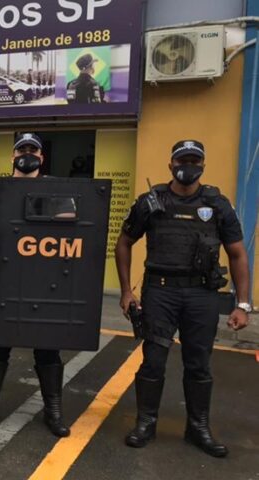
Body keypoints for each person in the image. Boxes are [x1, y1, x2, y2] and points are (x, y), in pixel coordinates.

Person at [115, 140, 250, 457]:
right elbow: (124, 243)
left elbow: (237, 254)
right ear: (170, 163)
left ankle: (198, 428)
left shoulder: (218, 205)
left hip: (202, 295)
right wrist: (125, 290)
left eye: (194, 160)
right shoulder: (152, 201)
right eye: (182, 160)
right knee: (153, 361)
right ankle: (146, 423)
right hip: (160, 292)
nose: (187, 166)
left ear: (202, 165)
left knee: (199, 364)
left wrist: (243, 304)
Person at [0, 133, 73, 437]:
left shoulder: (57, 189)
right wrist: (10, 258)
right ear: (12, 157)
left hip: (46, 282)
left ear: (41, 157)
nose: (27, 154)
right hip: (8, 279)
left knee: (48, 347)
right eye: (21, 150)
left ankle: (53, 411)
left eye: (33, 150)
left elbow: (71, 227)